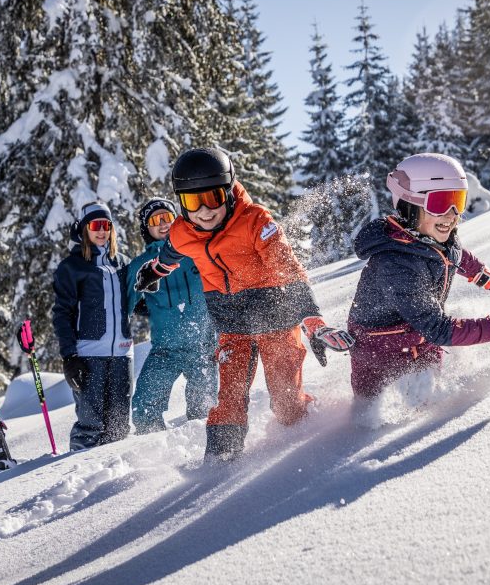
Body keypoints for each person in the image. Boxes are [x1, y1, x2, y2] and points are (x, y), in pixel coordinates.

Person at [134, 147, 354, 462]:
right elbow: (170, 255)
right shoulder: (182, 231)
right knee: (228, 401)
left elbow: (288, 269)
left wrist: (312, 320)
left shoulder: (255, 221)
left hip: (275, 318)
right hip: (232, 325)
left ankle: (312, 441)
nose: (204, 211)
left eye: (212, 198)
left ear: (227, 191)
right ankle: (219, 462)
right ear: (182, 203)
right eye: (193, 202)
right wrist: (154, 271)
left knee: (286, 402)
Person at [347, 153, 490, 405]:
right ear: (409, 204)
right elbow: (439, 329)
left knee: (433, 405)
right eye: (440, 203)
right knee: (370, 414)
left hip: (423, 337)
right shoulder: (395, 264)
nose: (452, 214)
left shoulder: (434, 237)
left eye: (457, 201)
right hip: (378, 351)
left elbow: (454, 255)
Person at [126, 198, 218, 434]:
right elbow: (123, 304)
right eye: (155, 220)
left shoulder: (196, 250)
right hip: (165, 350)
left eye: (167, 217)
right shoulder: (139, 266)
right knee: (144, 408)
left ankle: (201, 450)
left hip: (203, 347)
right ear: (146, 228)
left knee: (205, 410)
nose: (163, 223)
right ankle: (156, 450)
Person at [52, 202, 133, 450]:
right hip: (89, 355)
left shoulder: (124, 263)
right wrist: (69, 356)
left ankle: (113, 472)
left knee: (119, 426)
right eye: (96, 225)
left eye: (106, 225)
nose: (102, 231)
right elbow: (62, 313)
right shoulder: (72, 267)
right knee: (90, 424)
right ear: (84, 228)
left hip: (122, 354)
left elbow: (137, 302)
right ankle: (80, 468)